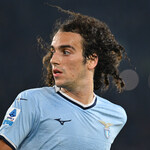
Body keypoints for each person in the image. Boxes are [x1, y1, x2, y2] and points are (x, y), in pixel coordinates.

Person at [0, 8, 127, 150]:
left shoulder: (115, 116)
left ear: (91, 60)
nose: (53, 60)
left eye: (66, 52)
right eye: (53, 51)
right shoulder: (30, 101)